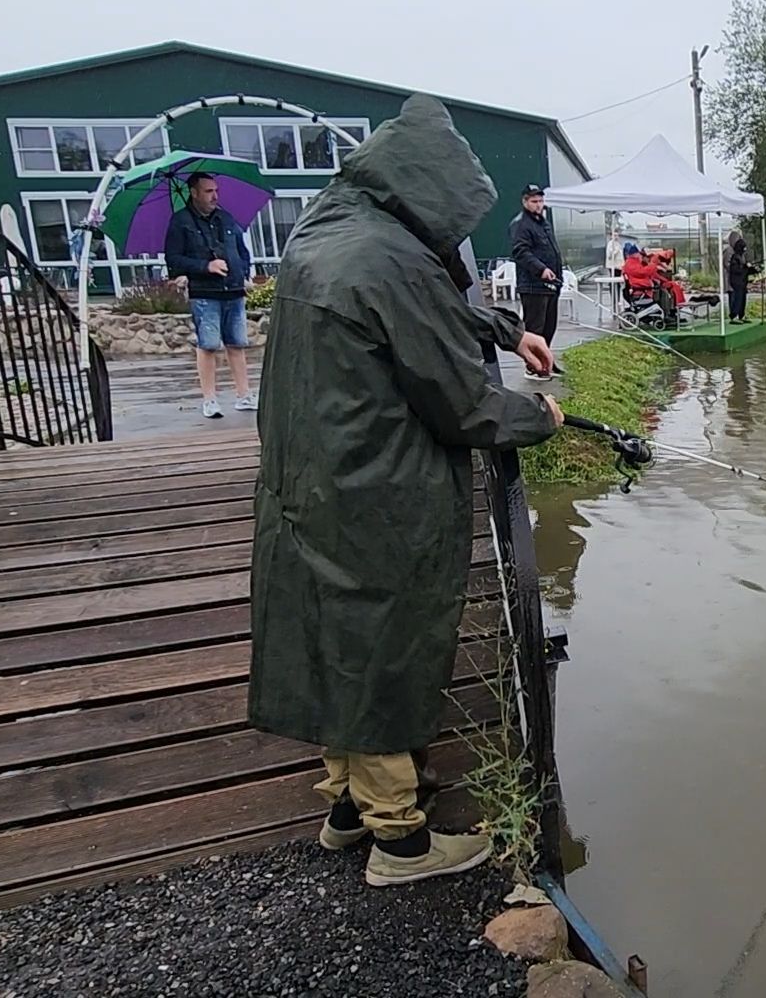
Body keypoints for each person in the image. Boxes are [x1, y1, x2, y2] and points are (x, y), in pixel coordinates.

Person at [248, 94, 565, 888]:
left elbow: (429, 306)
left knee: (333, 638)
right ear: (425, 191)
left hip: (306, 480)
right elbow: (462, 405)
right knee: (380, 647)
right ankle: (401, 841)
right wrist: (539, 419)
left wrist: (504, 329)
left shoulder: (331, 230)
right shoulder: (385, 258)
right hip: (373, 488)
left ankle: (347, 808)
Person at [163, 171, 256, 418]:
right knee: (208, 345)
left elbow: (240, 249)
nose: (214, 196)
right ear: (194, 193)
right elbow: (173, 259)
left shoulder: (226, 218)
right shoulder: (181, 222)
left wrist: (243, 272)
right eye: (208, 191)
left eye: (216, 190)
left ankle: (245, 395)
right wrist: (206, 266)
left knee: (237, 343)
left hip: (233, 289)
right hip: (205, 292)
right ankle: (210, 399)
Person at [508, 184, 565, 381]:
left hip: (551, 285)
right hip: (533, 286)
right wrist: (541, 269)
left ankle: (546, 361)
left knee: (549, 326)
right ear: (525, 202)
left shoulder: (543, 222)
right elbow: (520, 252)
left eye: (541, 201)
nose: (538, 205)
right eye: (534, 201)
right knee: (535, 328)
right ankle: (533, 367)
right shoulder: (521, 224)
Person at [723, 230, 758, 323]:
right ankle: (734, 316)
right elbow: (730, 266)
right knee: (735, 297)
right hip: (734, 280)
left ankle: (741, 315)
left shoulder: (740, 254)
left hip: (742, 280)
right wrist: (744, 268)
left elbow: (743, 265)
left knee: (742, 297)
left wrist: (751, 269)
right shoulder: (730, 251)